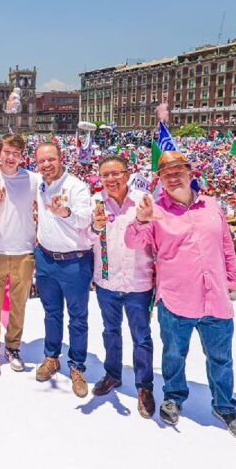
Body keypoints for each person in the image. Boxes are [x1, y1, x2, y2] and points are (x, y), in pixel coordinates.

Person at [125, 151, 236, 442]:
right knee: (173, 355)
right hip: (176, 299)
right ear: (159, 179)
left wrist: (231, 281)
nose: (172, 175)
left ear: (191, 172)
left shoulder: (212, 205)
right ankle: (173, 397)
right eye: (165, 172)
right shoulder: (154, 210)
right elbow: (132, 241)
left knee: (221, 358)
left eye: (178, 169)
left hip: (215, 297)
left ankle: (224, 406)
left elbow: (226, 246)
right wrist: (141, 220)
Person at [88, 154, 155, 418]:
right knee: (110, 332)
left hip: (138, 282)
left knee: (142, 337)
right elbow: (85, 237)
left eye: (116, 173)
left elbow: (156, 237)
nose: (111, 179)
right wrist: (94, 227)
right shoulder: (95, 202)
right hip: (107, 281)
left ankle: (144, 386)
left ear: (127, 175)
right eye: (106, 175)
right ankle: (113, 374)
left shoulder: (143, 201)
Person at [32, 142, 94, 398]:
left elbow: (85, 218)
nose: (46, 165)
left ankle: (77, 366)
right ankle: (51, 357)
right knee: (51, 312)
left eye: (51, 159)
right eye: (42, 161)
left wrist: (64, 211)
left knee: (78, 317)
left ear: (60, 158)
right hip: (45, 257)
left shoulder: (77, 186)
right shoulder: (39, 183)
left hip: (74, 261)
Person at [0, 134, 39, 376]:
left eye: (16, 153)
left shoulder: (33, 179)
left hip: (24, 250)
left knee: (18, 304)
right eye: (7, 152)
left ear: (22, 156)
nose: (11, 157)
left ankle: (13, 346)